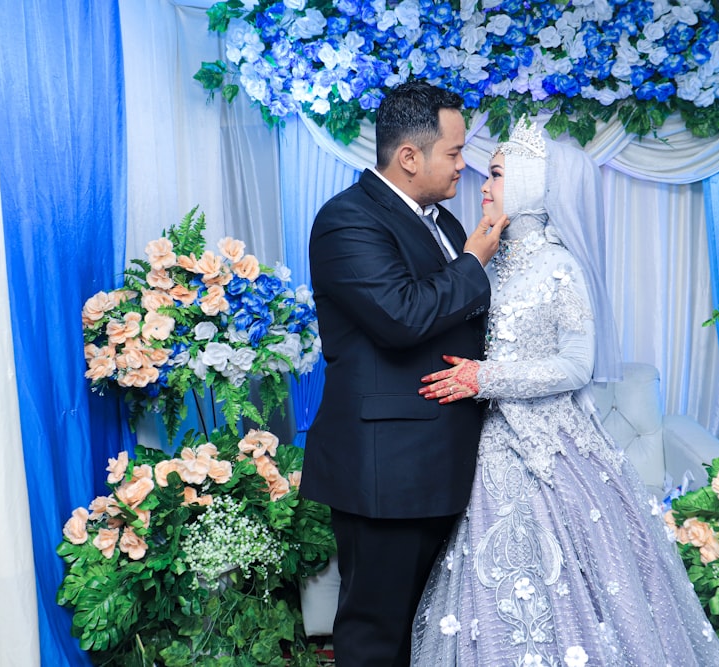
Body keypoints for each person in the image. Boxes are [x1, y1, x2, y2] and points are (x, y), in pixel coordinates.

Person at [410, 118, 719, 666]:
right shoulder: (490, 261)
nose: (482, 186)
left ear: (533, 184)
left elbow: (577, 366)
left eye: (494, 174)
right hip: (491, 443)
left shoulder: (559, 267)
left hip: (549, 445)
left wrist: (482, 378)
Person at [301, 80, 508, 667]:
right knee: (376, 631)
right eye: (455, 152)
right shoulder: (348, 220)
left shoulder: (441, 221)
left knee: (432, 631)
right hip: (386, 470)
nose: (463, 166)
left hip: (443, 462)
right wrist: (474, 263)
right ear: (410, 156)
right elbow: (401, 316)